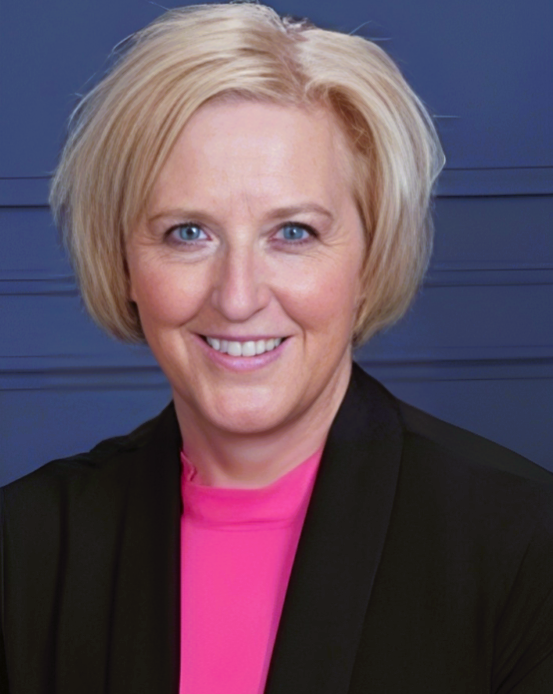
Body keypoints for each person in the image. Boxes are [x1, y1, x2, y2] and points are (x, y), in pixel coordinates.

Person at [1, 3, 552, 693]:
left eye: (292, 233)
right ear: (122, 263)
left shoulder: (526, 546)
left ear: (369, 258)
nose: (237, 296)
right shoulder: (23, 547)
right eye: (186, 233)